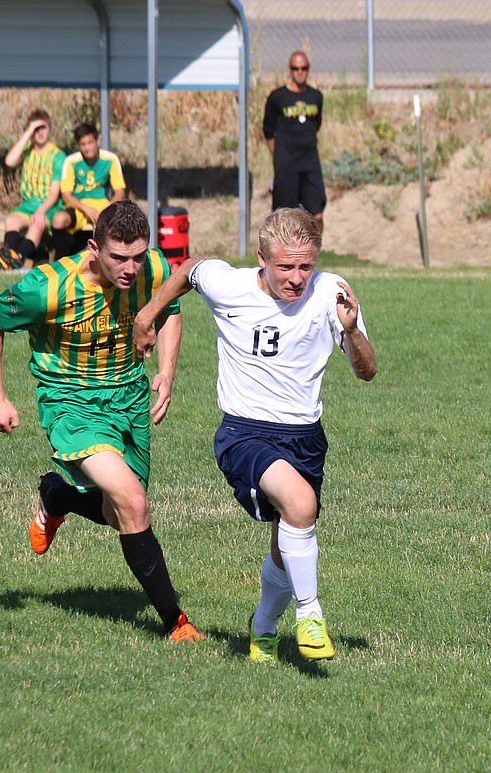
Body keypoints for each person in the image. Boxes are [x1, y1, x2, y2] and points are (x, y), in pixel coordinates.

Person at [133, 207, 377, 663]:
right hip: (244, 434)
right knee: (300, 507)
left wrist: (350, 332)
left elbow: (367, 371)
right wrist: (147, 316)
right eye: (285, 266)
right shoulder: (231, 285)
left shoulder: (331, 292)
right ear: (262, 258)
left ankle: (263, 627)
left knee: (289, 542)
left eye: (306, 265)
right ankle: (311, 616)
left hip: (305, 438)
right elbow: (189, 270)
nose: (296, 277)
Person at [0, 200, 204, 643]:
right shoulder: (48, 287)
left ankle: (57, 495)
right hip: (72, 403)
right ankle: (176, 622)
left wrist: (167, 371)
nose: (130, 268)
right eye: (119, 257)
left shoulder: (153, 269)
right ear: (93, 248)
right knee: (134, 502)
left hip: (130, 399)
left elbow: (172, 307)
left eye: (138, 256)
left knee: (117, 512)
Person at [0, 109, 64, 270]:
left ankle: (16, 259)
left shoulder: (57, 156)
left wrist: (41, 211)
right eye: (36, 129)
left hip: (48, 207)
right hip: (27, 205)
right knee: (11, 221)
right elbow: (9, 161)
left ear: (50, 128)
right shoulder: (27, 150)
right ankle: (11, 259)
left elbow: (54, 194)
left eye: (43, 127)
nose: (40, 132)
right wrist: (28, 132)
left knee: (37, 224)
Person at [263, 51, 326, 227]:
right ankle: (281, 254)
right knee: (284, 217)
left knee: (317, 215)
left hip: (310, 163)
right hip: (286, 165)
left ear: (308, 69)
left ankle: (314, 251)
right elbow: (268, 130)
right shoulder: (278, 97)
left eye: (303, 68)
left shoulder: (316, 97)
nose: (300, 72)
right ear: (289, 69)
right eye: (296, 68)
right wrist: (279, 156)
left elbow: (317, 125)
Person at [50, 122, 127, 260]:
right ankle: (60, 263)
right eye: (83, 144)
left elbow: (120, 192)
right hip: (79, 206)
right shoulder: (71, 161)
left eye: (90, 142)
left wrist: (107, 209)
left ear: (98, 140)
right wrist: (86, 208)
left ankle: (113, 262)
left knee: (116, 224)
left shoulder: (110, 159)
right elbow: (66, 195)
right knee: (58, 219)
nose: (87, 148)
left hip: (102, 205)